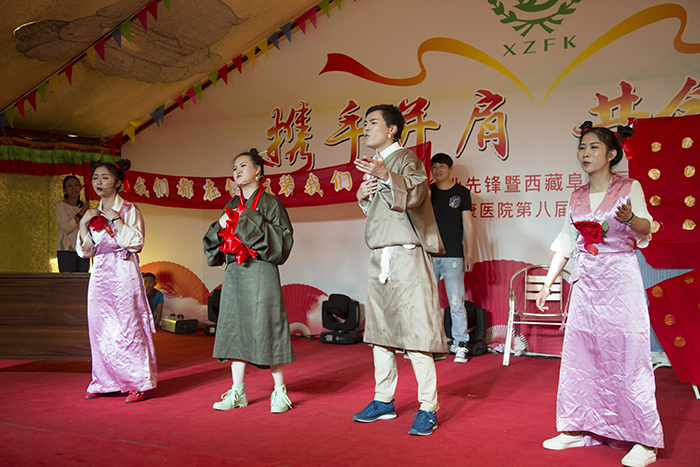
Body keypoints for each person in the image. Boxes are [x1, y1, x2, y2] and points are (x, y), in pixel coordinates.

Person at [536, 122, 663, 467]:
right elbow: (567, 242)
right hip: (586, 284)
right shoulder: (576, 196)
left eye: (593, 147)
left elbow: (646, 228)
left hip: (620, 281)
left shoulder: (629, 187)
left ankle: (644, 441)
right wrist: (548, 283)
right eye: (582, 148)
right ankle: (577, 429)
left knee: (628, 356)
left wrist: (631, 217)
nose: (585, 153)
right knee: (582, 356)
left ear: (611, 154)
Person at [352, 104, 448, 436]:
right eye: (364, 123)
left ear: (392, 129)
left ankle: (428, 407)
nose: (366, 128)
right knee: (379, 332)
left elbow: (417, 194)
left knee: (416, 331)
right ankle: (383, 400)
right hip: (380, 255)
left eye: (372, 122)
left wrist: (383, 176)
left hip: (406, 255)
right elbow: (380, 214)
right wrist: (363, 196)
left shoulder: (406, 159)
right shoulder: (377, 166)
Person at [203, 148, 295, 414]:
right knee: (234, 326)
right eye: (234, 168)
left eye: (243, 166)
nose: (237, 171)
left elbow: (283, 241)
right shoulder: (231, 204)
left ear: (258, 171)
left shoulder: (271, 203)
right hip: (235, 272)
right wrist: (220, 225)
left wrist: (248, 219)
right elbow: (214, 242)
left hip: (261, 270)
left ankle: (280, 392)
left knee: (269, 325)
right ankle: (238, 391)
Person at [77, 159, 157, 403]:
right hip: (100, 273)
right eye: (95, 178)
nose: (99, 182)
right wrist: (82, 224)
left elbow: (136, 243)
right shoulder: (92, 213)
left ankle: (139, 382)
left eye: (105, 177)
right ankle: (105, 381)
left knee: (127, 325)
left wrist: (116, 220)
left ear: (118, 182)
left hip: (123, 270)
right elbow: (86, 251)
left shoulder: (129, 210)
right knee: (100, 327)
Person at [430, 153, 475, 363]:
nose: (438, 170)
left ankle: (461, 344)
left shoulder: (461, 193)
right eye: (434, 167)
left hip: (453, 255)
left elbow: (468, 225)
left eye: (442, 166)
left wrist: (470, 253)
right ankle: (430, 344)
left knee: (456, 302)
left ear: (450, 170)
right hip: (429, 254)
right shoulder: (427, 192)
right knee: (428, 303)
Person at [55, 175, 91, 272]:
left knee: (82, 278)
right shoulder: (60, 206)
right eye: (69, 186)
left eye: (76, 185)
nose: (73, 188)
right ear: (64, 190)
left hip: (83, 248)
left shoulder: (85, 206)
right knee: (68, 279)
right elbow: (67, 228)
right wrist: (82, 212)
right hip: (66, 249)